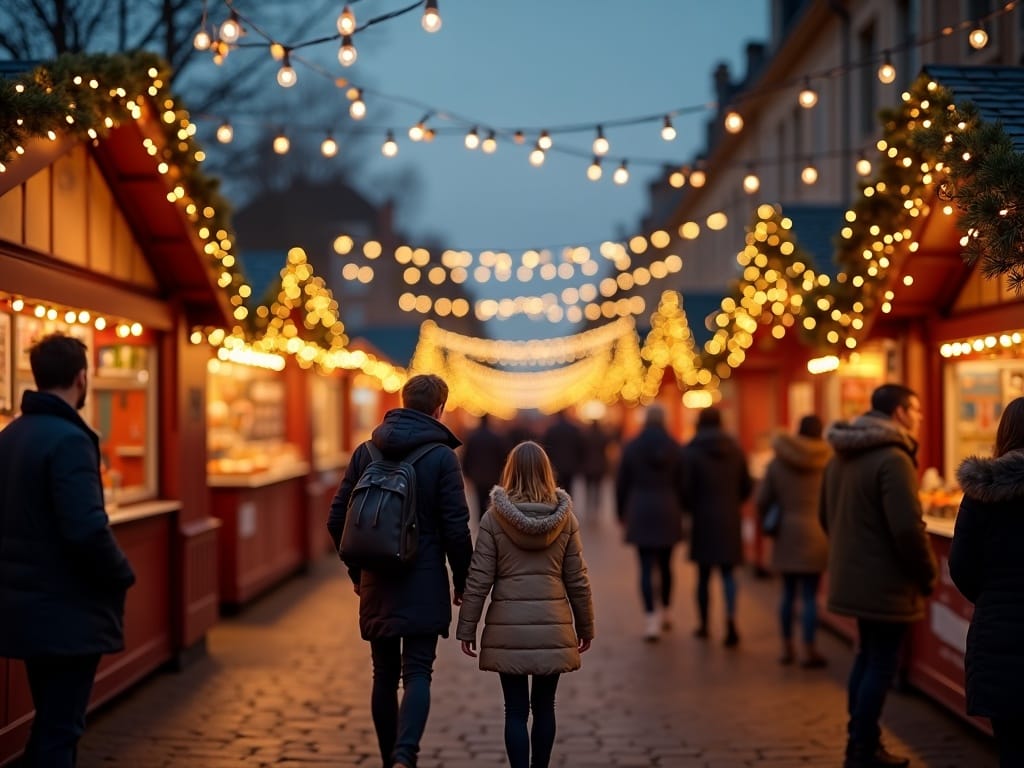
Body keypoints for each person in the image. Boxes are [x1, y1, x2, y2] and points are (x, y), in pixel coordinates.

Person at [0, 333, 136, 766]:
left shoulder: (10, 436)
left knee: (50, 721)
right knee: (61, 729)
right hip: (66, 608)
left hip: (24, 605)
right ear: (82, 378)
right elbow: (86, 529)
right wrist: (122, 573)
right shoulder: (70, 440)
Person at [327, 373, 473, 768]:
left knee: (384, 674)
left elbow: (337, 517)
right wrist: (464, 582)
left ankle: (387, 755)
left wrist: (357, 574)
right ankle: (405, 756)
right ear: (439, 408)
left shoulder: (366, 452)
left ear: (404, 401)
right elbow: (456, 528)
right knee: (419, 672)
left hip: (377, 576)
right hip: (424, 576)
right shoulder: (442, 457)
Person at [456, 441, 594, 768]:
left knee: (515, 711)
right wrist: (586, 626)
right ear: (547, 473)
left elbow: (479, 578)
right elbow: (577, 579)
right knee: (545, 707)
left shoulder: (494, 519)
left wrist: (467, 628)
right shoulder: (566, 520)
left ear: (510, 472)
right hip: (553, 625)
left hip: (509, 628)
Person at [820, 383, 937, 768]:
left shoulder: (839, 456)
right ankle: (863, 749)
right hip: (885, 582)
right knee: (881, 663)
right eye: (916, 410)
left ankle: (862, 743)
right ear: (900, 413)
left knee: (866, 657)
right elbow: (907, 529)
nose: (919, 418)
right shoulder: (893, 459)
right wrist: (927, 574)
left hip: (851, 577)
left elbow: (825, 515)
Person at [949, 395, 1024, 768]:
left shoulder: (982, 493)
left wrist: (993, 597)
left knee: (1011, 744)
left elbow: (961, 566)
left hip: (999, 631)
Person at [755, 414, 832, 667]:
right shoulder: (829, 461)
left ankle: (786, 648)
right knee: (810, 596)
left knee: (788, 594)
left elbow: (763, 499)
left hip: (787, 532)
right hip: (818, 533)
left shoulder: (779, 461)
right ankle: (809, 649)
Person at [615, 403, 687, 641]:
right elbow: (683, 483)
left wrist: (621, 512)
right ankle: (666, 610)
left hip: (641, 508)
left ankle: (650, 619)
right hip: (668, 508)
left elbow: (621, 483)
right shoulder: (676, 447)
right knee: (667, 566)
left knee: (645, 567)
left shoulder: (632, 447)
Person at [682, 407, 752, 647]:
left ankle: (704, 624)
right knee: (729, 574)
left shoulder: (691, 451)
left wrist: (691, 509)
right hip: (729, 519)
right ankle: (731, 620)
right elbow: (746, 485)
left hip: (703, 520)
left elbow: (685, 489)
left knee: (703, 576)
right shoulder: (736, 450)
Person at [460, 413, 509, 521]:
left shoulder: (473, 437)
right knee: (492, 503)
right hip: (493, 476)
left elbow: (467, 456)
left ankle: (482, 524)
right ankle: (491, 524)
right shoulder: (496, 437)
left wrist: (467, 473)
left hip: (477, 476)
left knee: (480, 503)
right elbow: (502, 457)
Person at [540, 410, 585, 492]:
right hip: (571, 464)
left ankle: (559, 503)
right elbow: (580, 447)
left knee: (557, 488)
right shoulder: (573, 429)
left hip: (555, 465)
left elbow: (546, 448)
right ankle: (568, 503)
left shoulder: (551, 430)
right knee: (569, 488)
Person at [581, 419, 611, 517]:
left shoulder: (586, 436)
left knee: (588, 488)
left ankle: (589, 506)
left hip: (588, 466)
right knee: (598, 488)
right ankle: (596, 507)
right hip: (599, 465)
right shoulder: (602, 436)